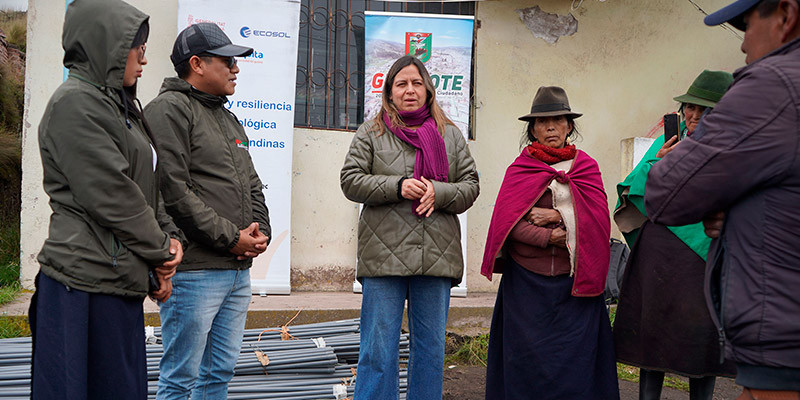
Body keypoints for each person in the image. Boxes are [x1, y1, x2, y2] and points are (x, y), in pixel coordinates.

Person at [644, 0, 800, 398]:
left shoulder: (773, 84)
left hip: (783, 342)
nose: (743, 45)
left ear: (786, 14)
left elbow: (665, 194)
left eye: (746, 24)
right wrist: (744, 209)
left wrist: (724, 201)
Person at [29, 0, 184, 398]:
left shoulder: (119, 107)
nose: (144, 61)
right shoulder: (75, 105)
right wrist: (161, 250)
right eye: (139, 49)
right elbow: (113, 196)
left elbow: (146, 185)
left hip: (117, 279)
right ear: (109, 47)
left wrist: (167, 238)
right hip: (80, 285)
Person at [144, 23, 271, 400]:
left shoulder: (227, 118)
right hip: (195, 272)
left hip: (235, 271)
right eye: (227, 60)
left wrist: (259, 232)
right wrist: (232, 238)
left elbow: (252, 183)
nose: (236, 68)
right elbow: (174, 191)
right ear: (197, 64)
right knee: (182, 377)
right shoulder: (169, 110)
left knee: (219, 373)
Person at [340, 55, 479, 400]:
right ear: (389, 93)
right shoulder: (371, 133)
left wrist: (439, 190)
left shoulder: (450, 136)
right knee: (378, 351)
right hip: (382, 259)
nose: (410, 90)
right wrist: (397, 186)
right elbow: (350, 181)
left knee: (430, 352)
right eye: (401, 84)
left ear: (429, 91)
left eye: (417, 83)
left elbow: (471, 186)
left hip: (436, 257)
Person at [481, 86, 618, 400]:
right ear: (533, 129)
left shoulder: (587, 168)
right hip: (527, 289)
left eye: (558, 119)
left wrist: (556, 218)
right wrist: (548, 237)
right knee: (525, 369)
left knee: (576, 370)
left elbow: (598, 224)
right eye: (543, 122)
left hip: (574, 290)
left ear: (570, 125)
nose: (551, 126)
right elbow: (508, 225)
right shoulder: (520, 171)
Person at [613, 70, 736, 400]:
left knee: (702, 341)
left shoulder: (733, 148)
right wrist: (662, 167)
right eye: (689, 108)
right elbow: (633, 191)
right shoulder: (667, 143)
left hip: (704, 260)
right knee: (652, 336)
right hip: (658, 255)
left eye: (702, 109)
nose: (692, 116)